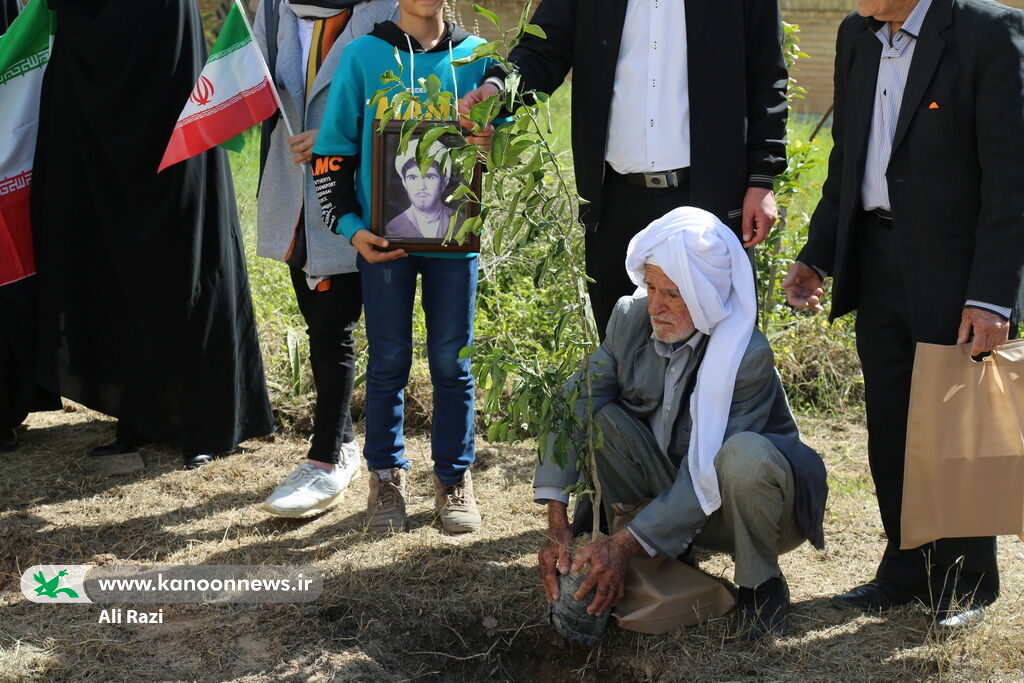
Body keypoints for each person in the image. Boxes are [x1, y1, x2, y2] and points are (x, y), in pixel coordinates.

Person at [782, 0, 1024, 629]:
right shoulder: (855, 37)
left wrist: (994, 294)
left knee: (959, 428)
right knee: (891, 423)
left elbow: (1012, 176)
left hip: (958, 270)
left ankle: (971, 583)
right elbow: (848, 159)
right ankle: (906, 567)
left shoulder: (985, 32)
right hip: (877, 255)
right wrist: (817, 254)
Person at [536, 207, 827, 640]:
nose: (655, 305)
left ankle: (761, 584)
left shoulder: (744, 354)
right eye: (651, 286)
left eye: (671, 293)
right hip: (669, 490)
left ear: (706, 293)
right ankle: (663, 557)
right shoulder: (629, 318)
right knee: (602, 414)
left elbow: (707, 470)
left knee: (743, 456)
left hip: (741, 507)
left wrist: (620, 546)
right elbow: (576, 401)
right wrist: (557, 524)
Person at [30, 0, 275, 469]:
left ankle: (206, 418)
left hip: (167, 97)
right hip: (96, 107)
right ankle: (138, 412)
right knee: (117, 255)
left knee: (184, 254)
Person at [459, 0, 788, 335]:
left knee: (714, 351)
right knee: (621, 352)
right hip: (614, 204)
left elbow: (767, 76)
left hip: (709, 202)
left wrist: (763, 177)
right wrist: (498, 89)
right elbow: (544, 48)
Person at [311, 0, 493, 533]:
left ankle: (454, 479)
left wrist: (488, 136)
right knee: (388, 357)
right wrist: (351, 228)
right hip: (383, 243)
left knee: (452, 361)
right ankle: (386, 476)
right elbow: (334, 149)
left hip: (455, 241)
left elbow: (499, 138)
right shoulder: (365, 55)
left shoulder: (478, 59)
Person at [255, 0, 398, 518]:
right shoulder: (275, 7)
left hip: (360, 191)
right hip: (294, 190)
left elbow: (417, 93)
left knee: (337, 323)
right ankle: (342, 443)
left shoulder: (385, 7)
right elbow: (259, 81)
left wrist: (342, 132)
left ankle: (327, 458)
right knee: (320, 322)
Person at [385, 143, 454, 240]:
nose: (422, 187)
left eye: (430, 177)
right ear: (404, 183)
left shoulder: (459, 221)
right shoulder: (393, 228)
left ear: (444, 182)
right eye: (412, 178)